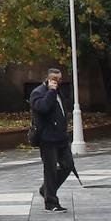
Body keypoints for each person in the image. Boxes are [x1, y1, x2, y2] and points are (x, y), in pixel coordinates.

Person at [30, 68, 73, 212]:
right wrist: (51, 91)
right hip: (47, 139)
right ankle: (51, 203)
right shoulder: (38, 93)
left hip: (61, 138)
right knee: (50, 171)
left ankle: (46, 189)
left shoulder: (58, 92)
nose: (58, 82)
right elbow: (43, 108)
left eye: (60, 79)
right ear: (48, 79)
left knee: (68, 165)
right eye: (55, 79)